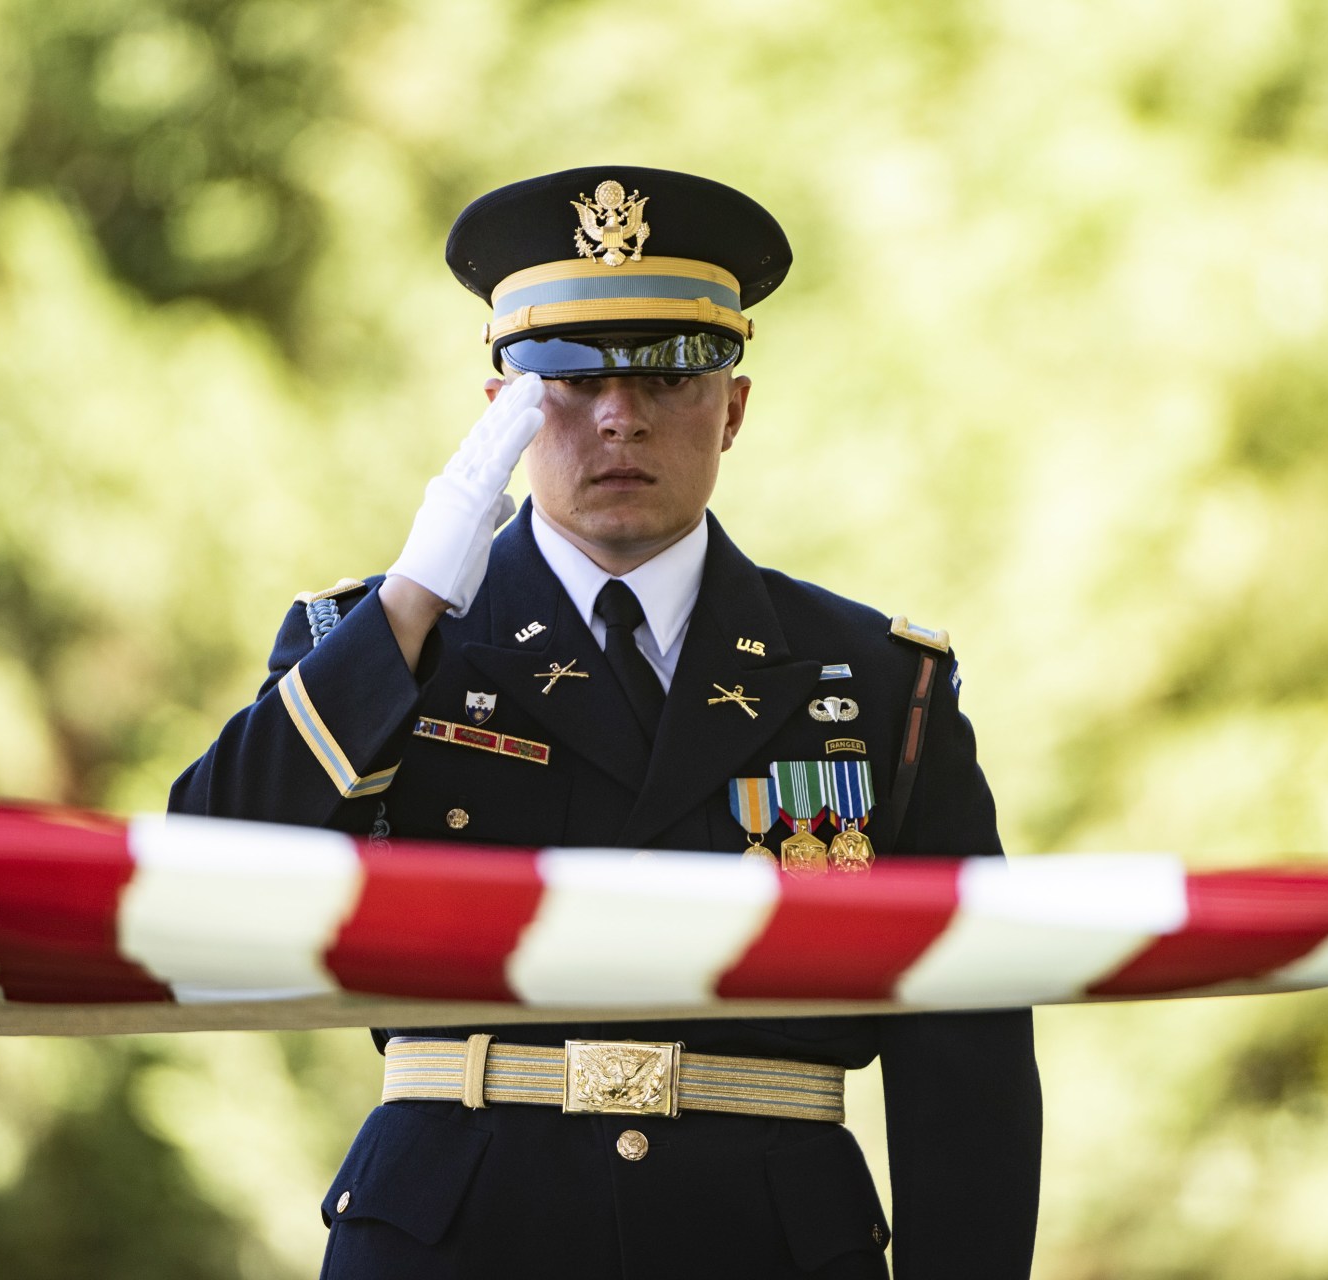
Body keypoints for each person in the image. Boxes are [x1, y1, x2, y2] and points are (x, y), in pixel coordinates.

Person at [171, 166, 1043, 1279]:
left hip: (764, 1241)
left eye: (668, 369)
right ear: (502, 412)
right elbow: (200, 873)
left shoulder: (875, 680)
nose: (618, 413)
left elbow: (966, 1057)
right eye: (566, 377)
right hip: (457, 1237)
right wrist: (407, 607)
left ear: (732, 406)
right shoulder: (389, 646)